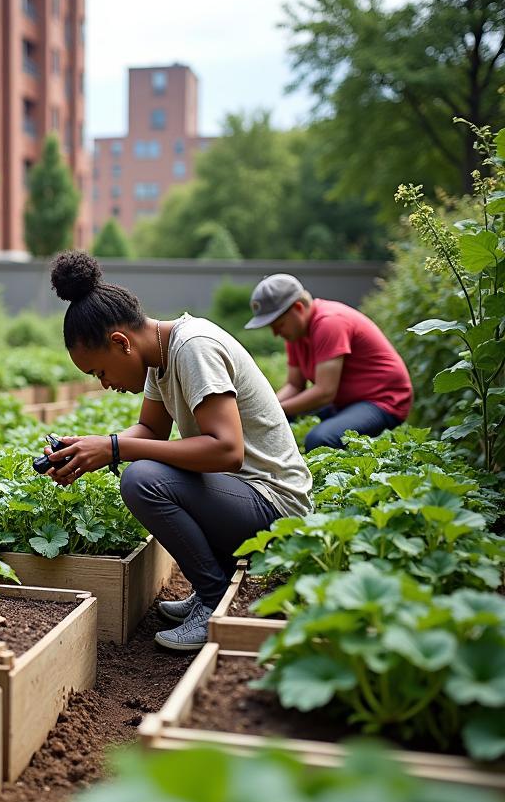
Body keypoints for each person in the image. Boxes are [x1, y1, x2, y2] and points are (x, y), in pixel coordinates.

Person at [41, 252, 312, 652]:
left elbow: (227, 450)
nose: (104, 383)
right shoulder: (161, 355)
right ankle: (211, 584)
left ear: (121, 343)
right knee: (143, 470)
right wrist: (91, 448)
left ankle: (213, 595)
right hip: (243, 497)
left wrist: (116, 449)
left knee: (142, 480)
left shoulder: (193, 348)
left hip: (277, 508)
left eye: (99, 371)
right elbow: (150, 430)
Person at [244, 273, 412, 451]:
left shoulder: (329, 323)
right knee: (279, 418)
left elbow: (324, 393)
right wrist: (264, 408)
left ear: (299, 308)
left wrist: (272, 411)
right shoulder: (296, 334)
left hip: (383, 402)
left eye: (279, 324)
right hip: (345, 404)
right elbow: (294, 385)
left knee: (320, 440)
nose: (276, 333)